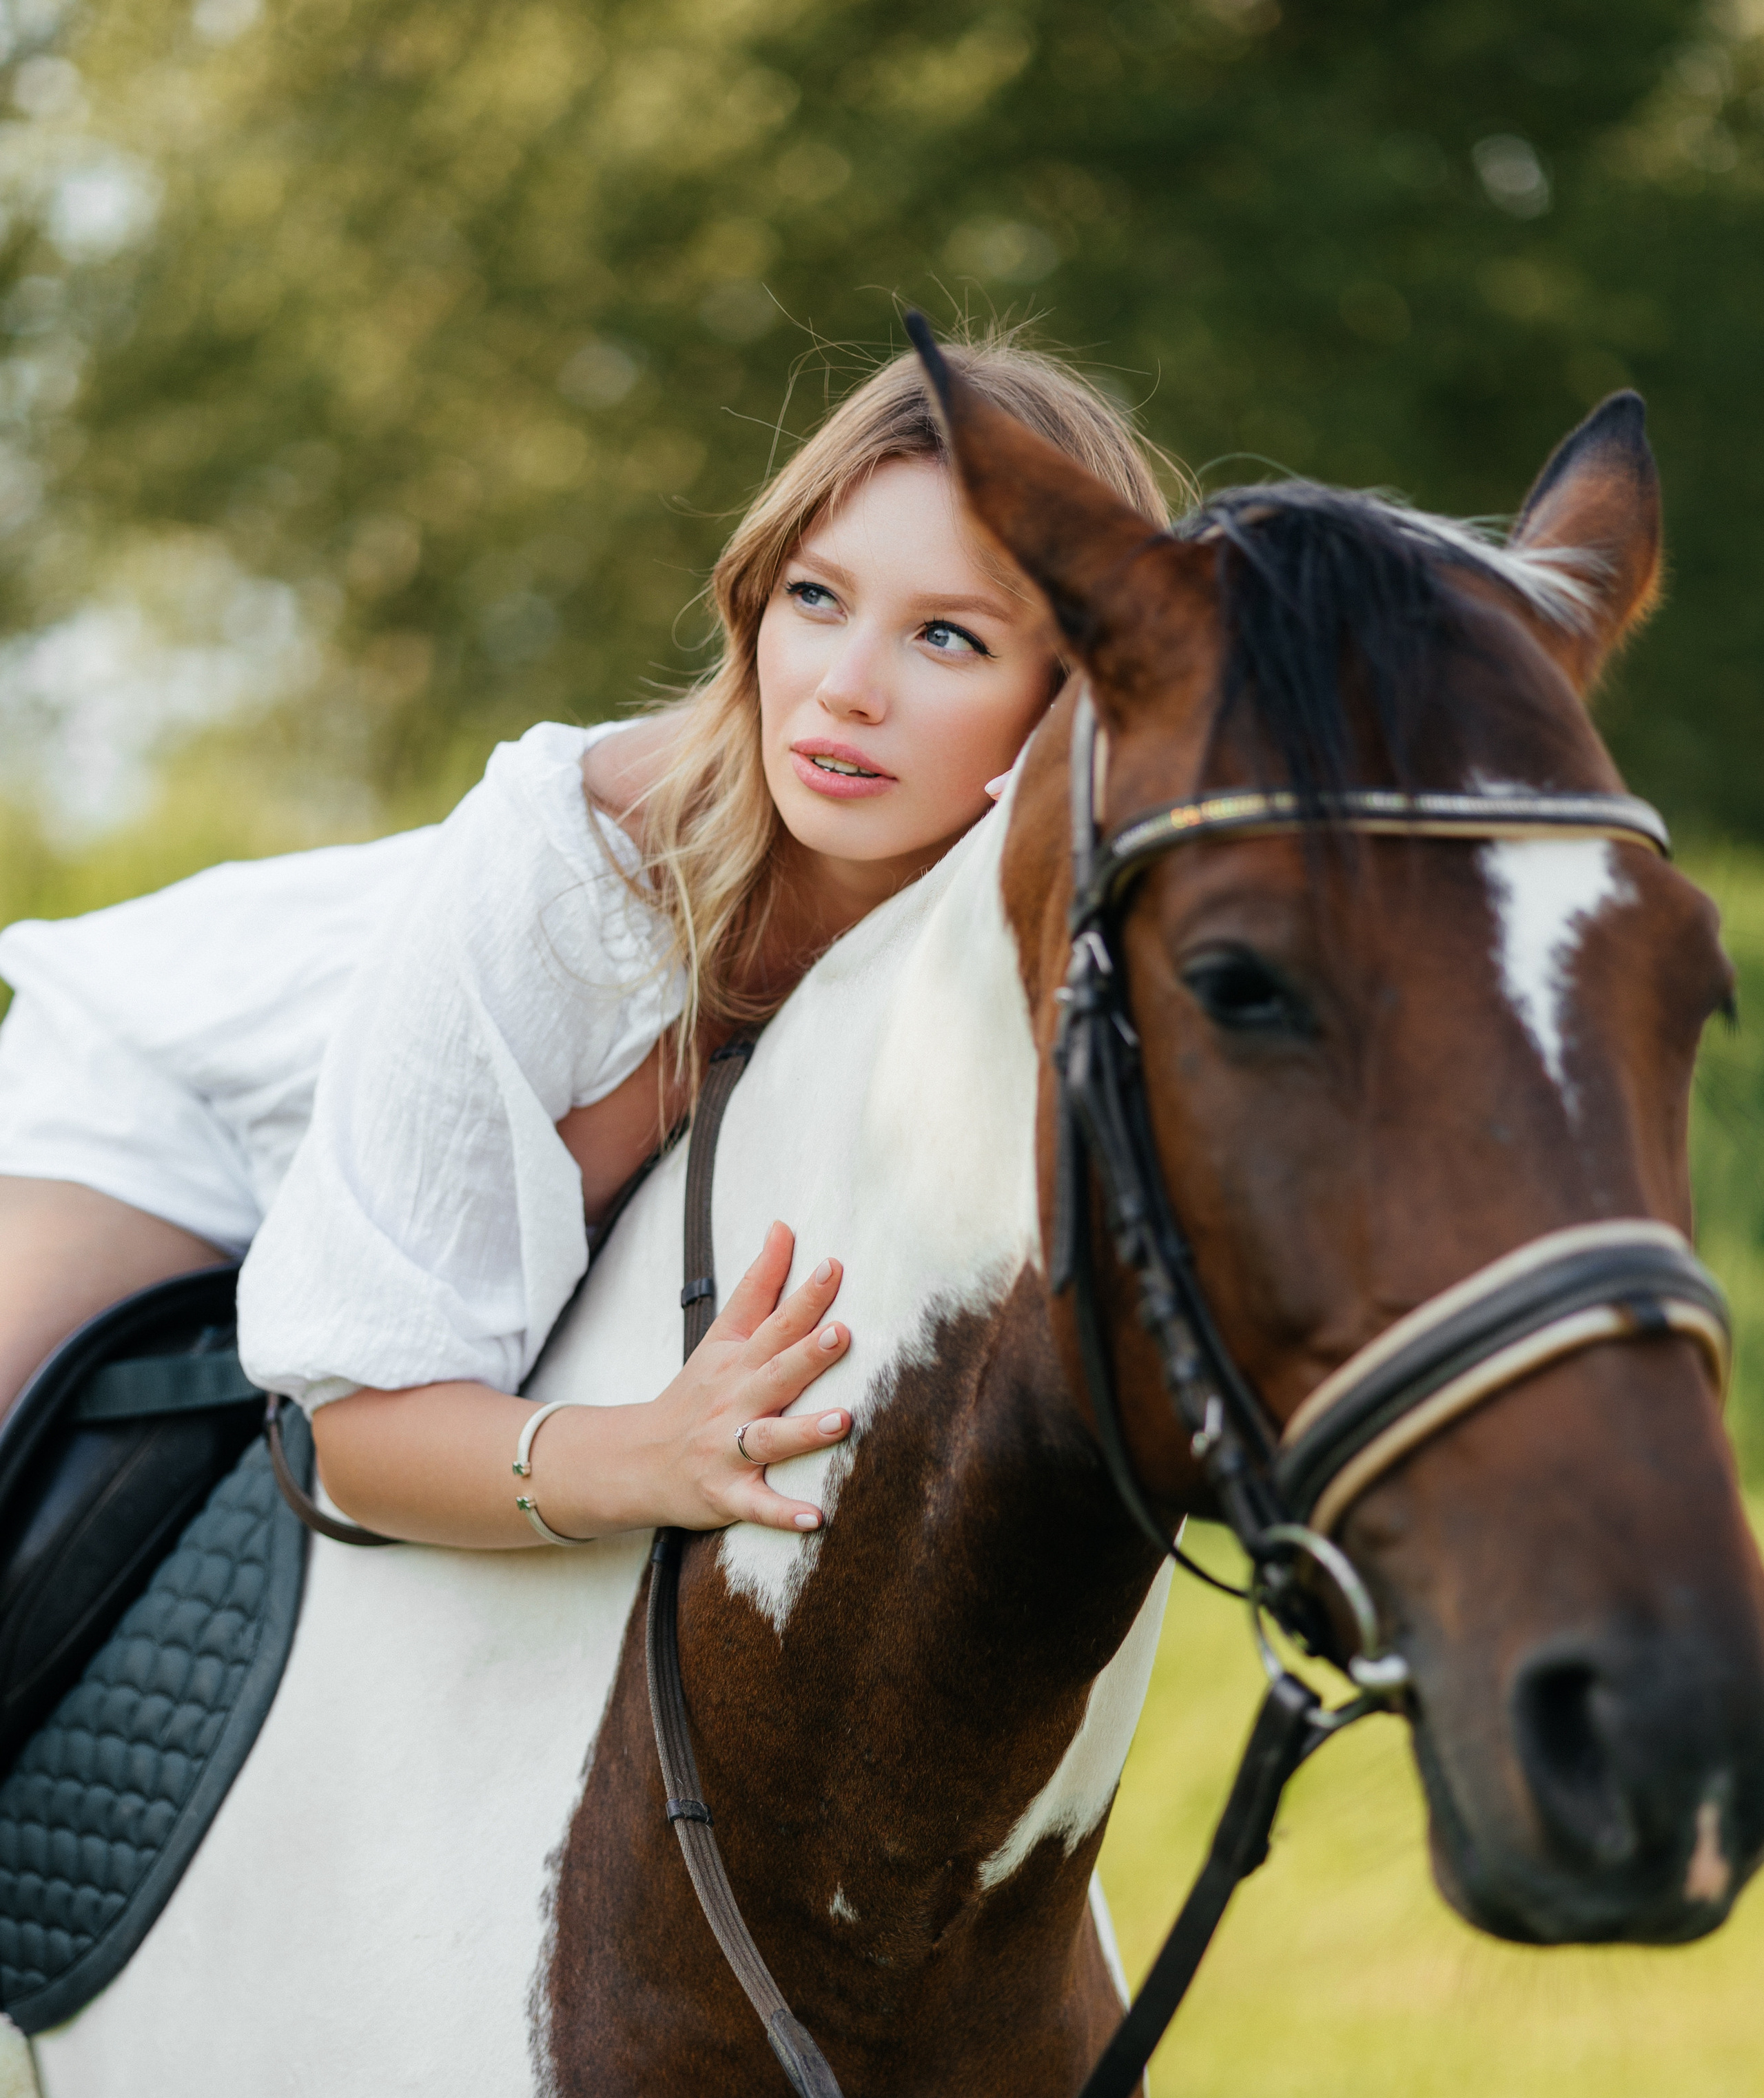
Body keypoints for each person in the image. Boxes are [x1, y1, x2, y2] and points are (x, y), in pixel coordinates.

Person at [0, 336, 1173, 1549]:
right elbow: (354, 1436)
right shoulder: (572, 862)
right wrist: (645, 1456)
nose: (845, 689)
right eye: (815, 599)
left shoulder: (1055, 924)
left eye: (948, 638)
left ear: (1064, 702)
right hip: (176, 1100)